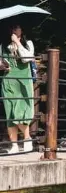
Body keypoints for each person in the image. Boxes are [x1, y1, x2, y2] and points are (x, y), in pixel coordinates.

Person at [2, 24, 35, 153]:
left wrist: (17, 42)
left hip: (23, 80)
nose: (15, 30)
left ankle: (27, 138)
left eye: (17, 28)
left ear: (22, 30)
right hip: (9, 80)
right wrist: (2, 66)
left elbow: (27, 58)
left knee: (21, 111)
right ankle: (14, 144)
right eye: (13, 28)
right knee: (10, 112)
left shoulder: (28, 43)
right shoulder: (4, 46)